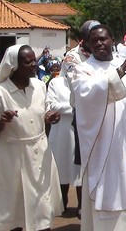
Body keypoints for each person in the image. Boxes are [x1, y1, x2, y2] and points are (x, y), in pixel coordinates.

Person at [71, 24, 126, 231]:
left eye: (104, 38)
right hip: (102, 147)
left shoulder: (125, 64)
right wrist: (121, 71)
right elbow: (86, 95)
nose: (100, 43)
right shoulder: (82, 69)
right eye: (94, 40)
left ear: (112, 39)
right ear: (88, 45)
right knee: (108, 194)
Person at [0, 44, 63, 231]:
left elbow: (41, 114)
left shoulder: (40, 86)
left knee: (43, 205)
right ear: (14, 66)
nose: (34, 64)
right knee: (16, 208)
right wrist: (2, 122)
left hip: (41, 152)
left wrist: (49, 117)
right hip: (14, 157)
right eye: (28, 62)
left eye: (34, 60)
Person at [45, 63, 81, 216]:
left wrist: (72, 108)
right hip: (60, 130)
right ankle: (62, 202)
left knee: (80, 168)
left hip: (79, 130)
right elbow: (52, 105)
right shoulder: (55, 82)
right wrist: (74, 108)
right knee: (61, 166)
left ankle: (81, 205)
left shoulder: (83, 80)